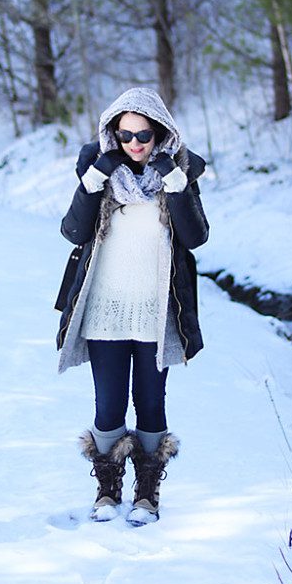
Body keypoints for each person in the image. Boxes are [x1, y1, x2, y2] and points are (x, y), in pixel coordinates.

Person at [55, 87, 209, 525]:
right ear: (113, 134)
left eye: (144, 134)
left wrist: (175, 182)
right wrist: (93, 182)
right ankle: (107, 492)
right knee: (108, 405)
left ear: (160, 132)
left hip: (155, 311)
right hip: (105, 309)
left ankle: (146, 495)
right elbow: (73, 232)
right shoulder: (98, 174)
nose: (135, 143)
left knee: (151, 403)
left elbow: (196, 237)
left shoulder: (180, 172)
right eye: (125, 135)